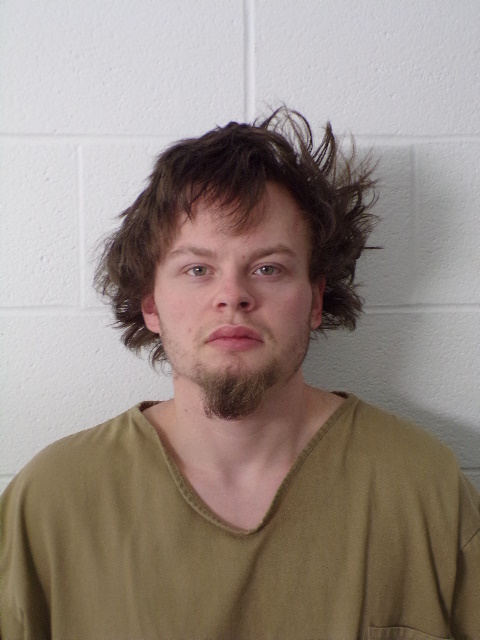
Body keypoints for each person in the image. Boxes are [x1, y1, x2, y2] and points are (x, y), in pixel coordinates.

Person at [1, 108, 479, 640]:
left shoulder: (426, 489)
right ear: (150, 304)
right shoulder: (50, 501)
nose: (233, 295)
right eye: (197, 269)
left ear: (315, 300)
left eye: (268, 267)